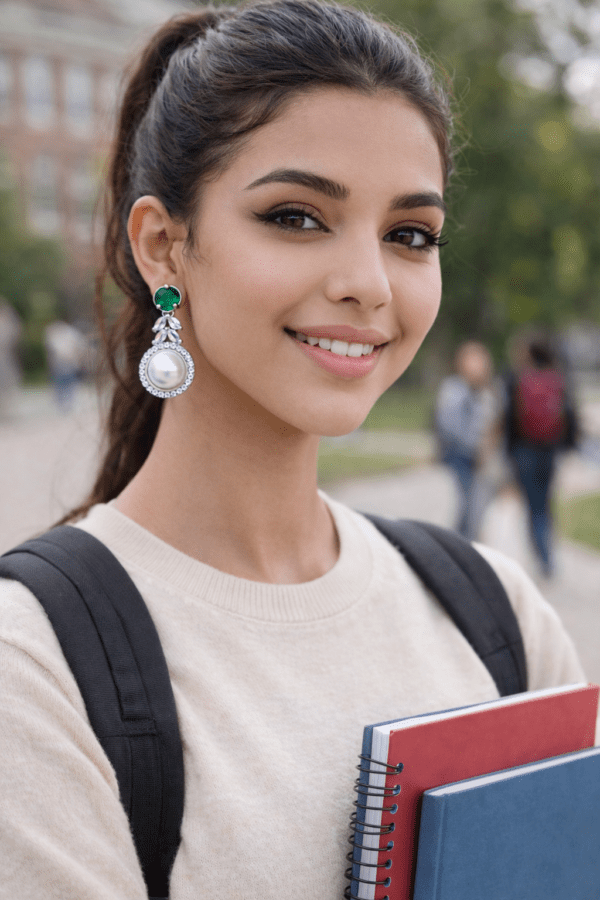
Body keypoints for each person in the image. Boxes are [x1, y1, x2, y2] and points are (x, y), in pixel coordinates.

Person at [0, 3, 586, 898]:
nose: (368, 284)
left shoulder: (497, 614)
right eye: (298, 217)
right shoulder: (34, 666)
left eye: (410, 234)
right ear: (163, 246)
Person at [504, 333, 579, 578]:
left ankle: (542, 555)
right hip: (550, 449)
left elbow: (509, 419)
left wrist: (508, 452)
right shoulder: (559, 378)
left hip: (524, 449)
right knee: (545, 503)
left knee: (532, 505)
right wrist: (568, 446)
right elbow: (570, 415)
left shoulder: (518, 379)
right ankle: (548, 556)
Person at [434, 341, 497, 539]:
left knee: (477, 509)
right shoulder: (454, 388)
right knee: (464, 507)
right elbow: (448, 425)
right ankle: (460, 544)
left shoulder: (486, 390)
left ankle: (468, 542)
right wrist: (474, 446)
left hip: (482, 459)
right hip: (460, 456)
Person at [44, 319, 87, 412]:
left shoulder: (70, 333)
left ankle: (68, 402)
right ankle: (62, 402)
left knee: (69, 382)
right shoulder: (55, 332)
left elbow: (80, 346)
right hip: (60, 363)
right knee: (61, 383)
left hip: (69, 362)